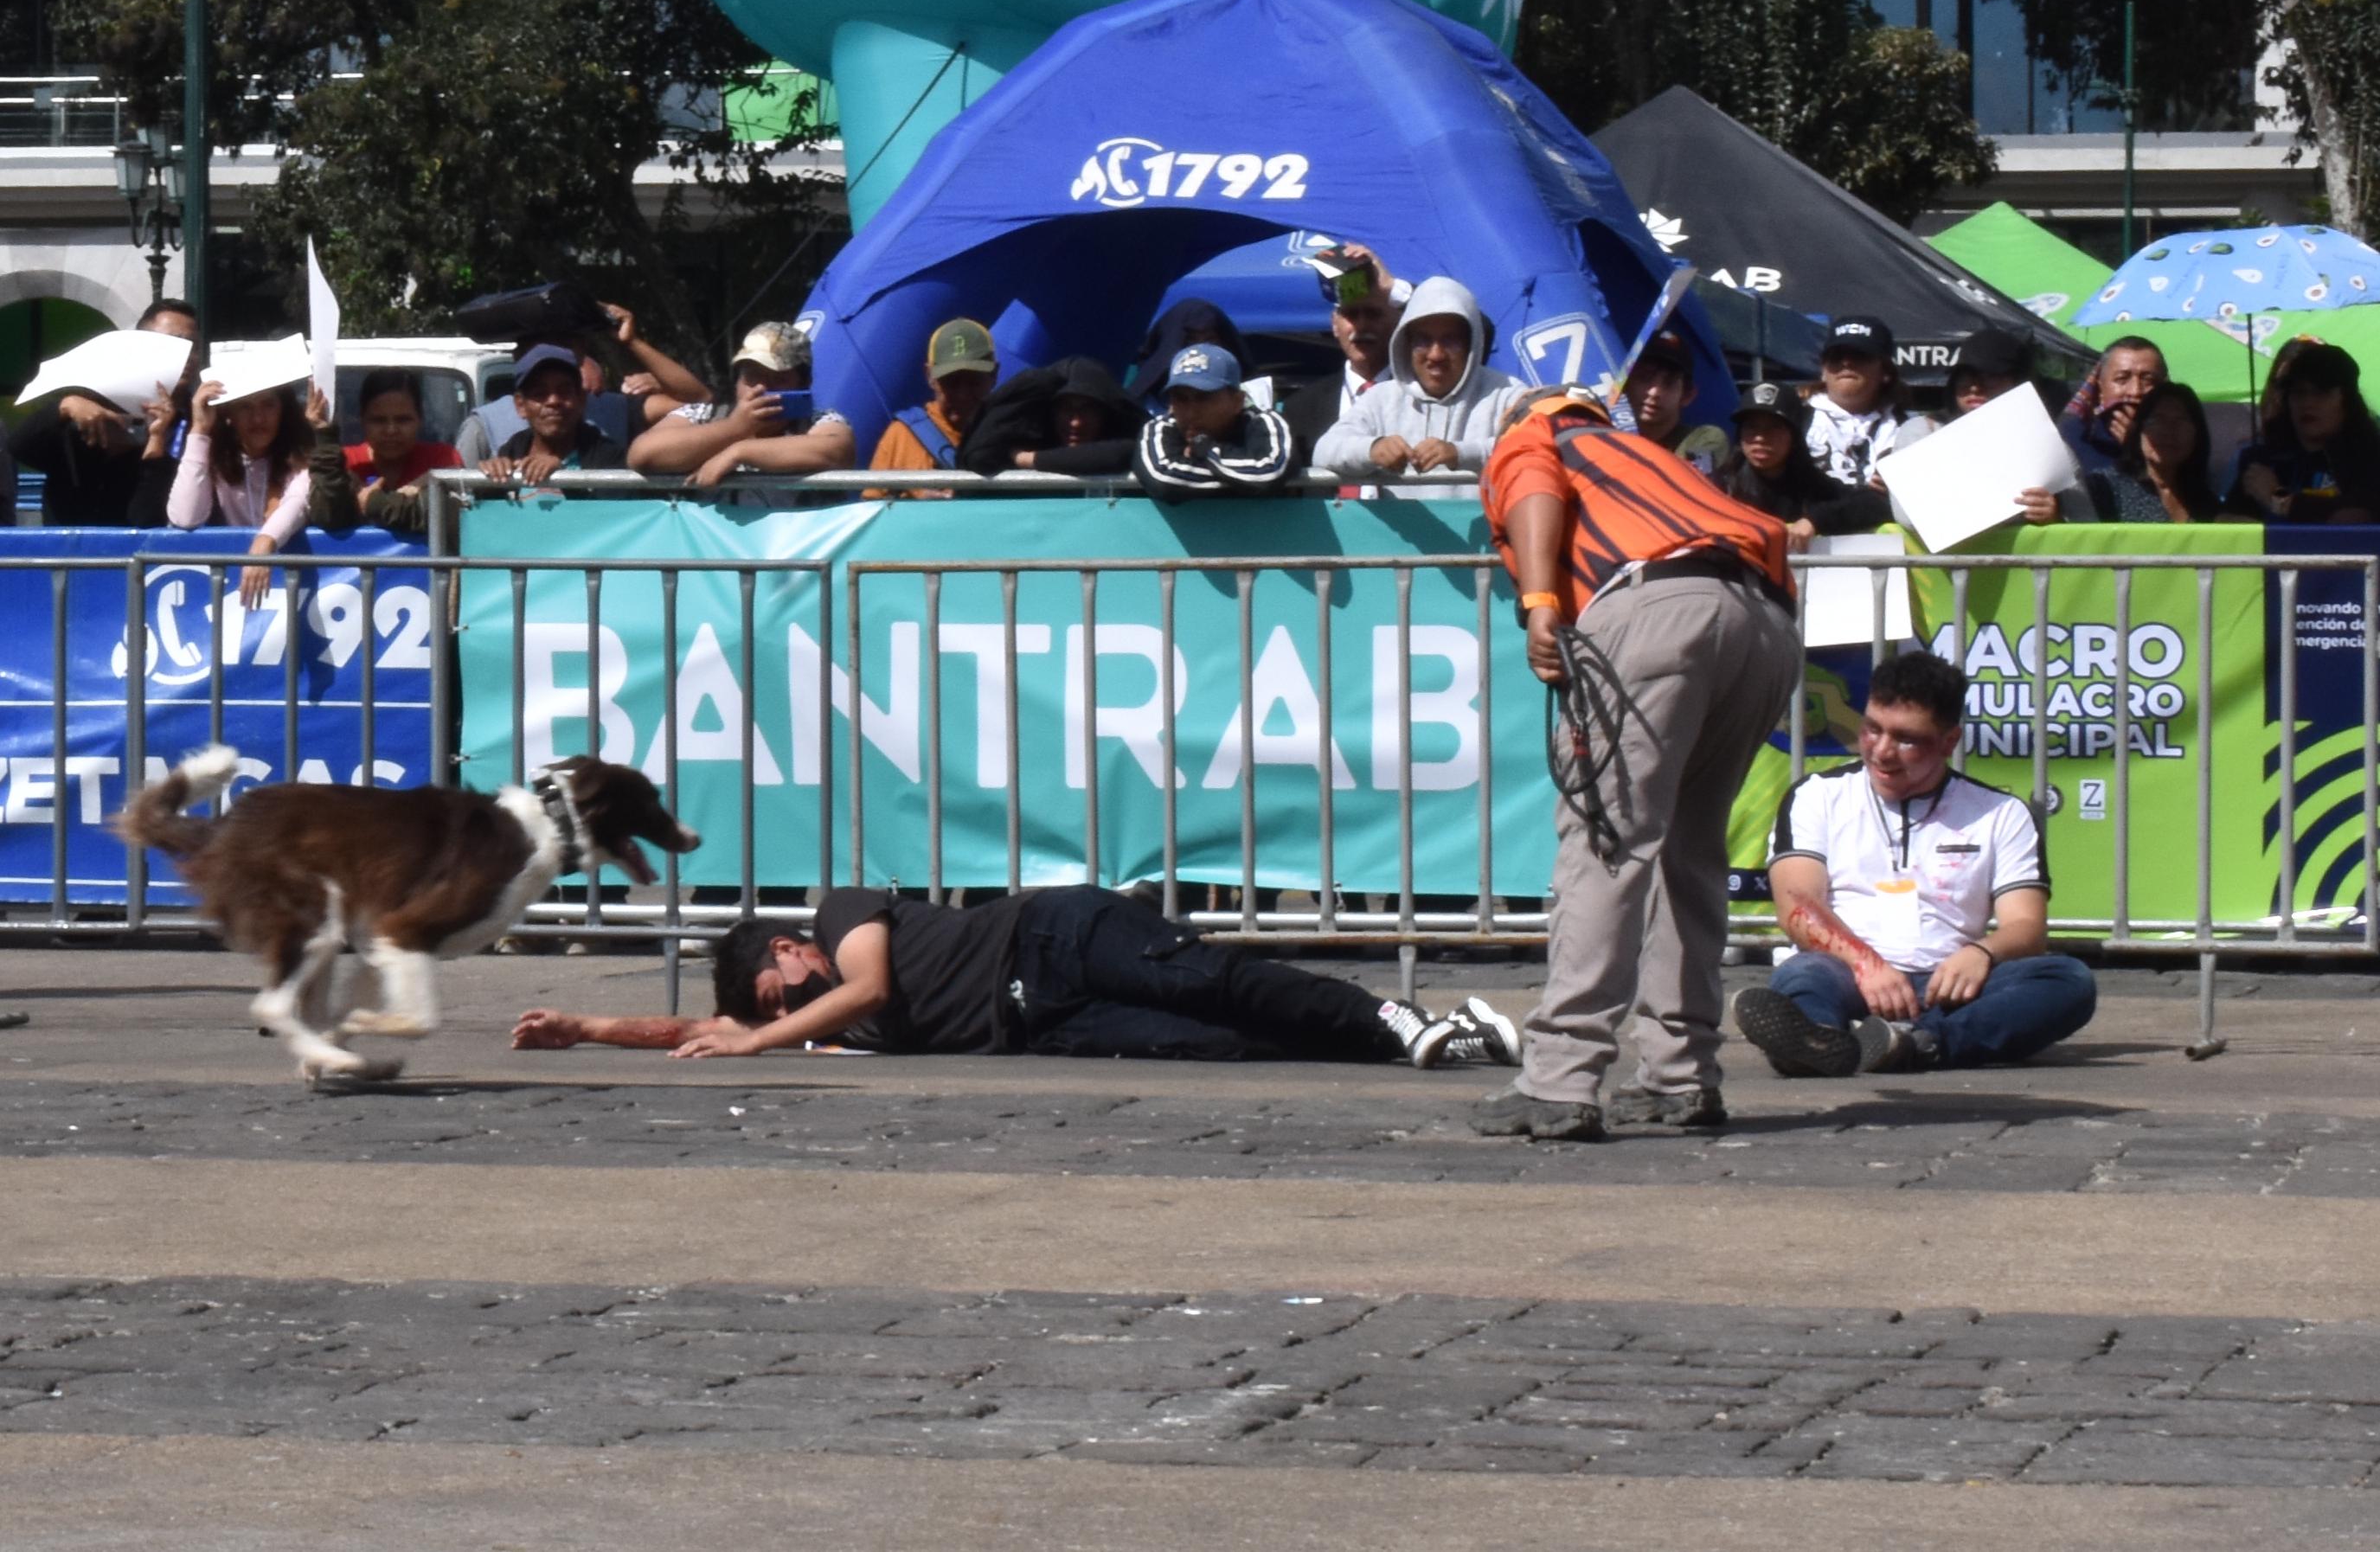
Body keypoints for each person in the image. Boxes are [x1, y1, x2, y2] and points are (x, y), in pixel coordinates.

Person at [1467, 386, 1802, 1141]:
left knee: (1605, 845)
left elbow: (1530, 484)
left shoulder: (1542, 432)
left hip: (1657, 606)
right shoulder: (1653, 456)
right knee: (1690, 853)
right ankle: (1681, 1072)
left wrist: (1540, 597)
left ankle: (1560, 1077)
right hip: (1762, 621)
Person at [509, 884, 1522, 1069]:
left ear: (788, 951)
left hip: (1052, 939)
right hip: (1045, 1027)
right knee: (1218, 1043)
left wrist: (766, 1036)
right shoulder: (804, 1006)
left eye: (786, 995)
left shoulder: (836, 918)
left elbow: (860, 989)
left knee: (1211, 983)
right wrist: (590, 1027)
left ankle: (1398, 1015)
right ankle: (1436, 1040)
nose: (801, 1010)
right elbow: (699, 1030)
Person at [1732, 649, 2097, 1077]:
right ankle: (1822, 1036)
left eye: (1906, 739)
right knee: (1802, 975)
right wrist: (1868, 966)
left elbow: (2026, 928)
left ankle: (1916, 1044)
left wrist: (1981, 953)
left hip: (1948, 980)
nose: (1882, 751)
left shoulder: (2001, 812)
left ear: (1949, 742)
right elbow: (1799, 910)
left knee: (2069, 981)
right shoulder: (1815, 795)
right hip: (1844, 971)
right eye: (1872, 729)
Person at [1312, 275, 1524, 501]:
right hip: (1400, 537)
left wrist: (1459, 453)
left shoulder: (1508, 393)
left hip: (1485, 535)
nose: (1436, 355)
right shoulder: (1382, 398)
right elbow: (1324, 450)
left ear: (1472, 344)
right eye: (1423, 341)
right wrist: (1372, 449)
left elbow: (1533, 447)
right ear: (1406, 344)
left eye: (1450, 341)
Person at [7, 298, 199, 526]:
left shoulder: (203, 423)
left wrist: (156, 442)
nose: (185, 355)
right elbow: (18, 447)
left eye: (193, 346)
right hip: (68, 552)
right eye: (172, 344)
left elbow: (148, 518)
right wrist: (66, 405)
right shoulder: (87, 410)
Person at [455, 304, 709, 463]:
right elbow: (455, 503)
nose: (553, 402)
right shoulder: (483, 425)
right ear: (518, 355)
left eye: (564, 342)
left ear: (581, 351)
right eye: (540, 342)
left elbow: (699, 402)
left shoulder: (616, 409)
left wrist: (632, 342)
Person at [627, 322, 856, 493]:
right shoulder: (703, 414)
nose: (761, 388)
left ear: (804, 383)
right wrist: (735, 428)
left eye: (778, 379)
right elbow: (642, 454)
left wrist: (739, 452)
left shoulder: (822, 421)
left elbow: (838, 451)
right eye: (752, 377)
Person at [166, 378, 315, 607]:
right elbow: (185, 517)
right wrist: (199, 430)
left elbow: (298, 499)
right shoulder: (214, 456)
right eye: (245, 407)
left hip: (297, 590)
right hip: (230, 592)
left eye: (268, 405)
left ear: (283, 410)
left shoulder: (303, 455)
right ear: (228, 413)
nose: (258, 418)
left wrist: (264, 543)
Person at [2015, 382, 2221, 526]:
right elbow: (2086, 542)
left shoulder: (2205, 496)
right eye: (2157, 420)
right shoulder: (2105, 486)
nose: (2168, 430)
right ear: (2138, 430)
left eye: (2180, 421)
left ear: (2197, 432)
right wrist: (2055, 520)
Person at [1280, 243, 1409, 472]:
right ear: (1334, 325)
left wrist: (1393, 288)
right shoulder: (1300, 408)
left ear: (1397, 321)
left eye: (1373, 313)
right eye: (1351, 315)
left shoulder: (1420, 395)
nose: (1361, 326)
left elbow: (1473, 332)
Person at [1714, 381, 1885, 549]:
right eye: (1751, 427)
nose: (1760, 438)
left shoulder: (1812, 484)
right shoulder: (1719, 486)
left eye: (1774, 428)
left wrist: (1815, 520)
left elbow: (1876, 505)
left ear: (1794, 436)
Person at [2223, 343, 2380, 524]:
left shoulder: (2369, 459)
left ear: (2347, 400)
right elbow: (2225, 520)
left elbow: (2356, 517)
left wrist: (2280, 500)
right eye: (2299, 393)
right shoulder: (2262, 460)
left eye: (2320, 393)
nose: (2308, 403)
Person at [306, 369, 465, 533]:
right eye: (379, 420)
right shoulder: (344, 462)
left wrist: (373, 502)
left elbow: (454, 517)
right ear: (362, 421)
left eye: (403, 420)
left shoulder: (444, 459)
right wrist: (323, 433)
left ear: (420, 420)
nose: (391, 430)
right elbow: (328, 514)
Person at [1132, 343, 1294, 497]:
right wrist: (1241, 481)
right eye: (1181, 398)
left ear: (1238, 401)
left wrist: (1205, 449)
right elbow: (1164, 479)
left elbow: (1268, 473)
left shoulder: (1264, 422)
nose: (1191, 412)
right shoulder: (1160, 427)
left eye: (1203, 398)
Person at [865, 318, 999, 496]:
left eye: (974, 382)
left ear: (994, 375)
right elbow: (873, 510)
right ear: (930, 376)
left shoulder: (1015, 433)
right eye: (951, 382)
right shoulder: (901, 436)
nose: (963, 395)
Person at [959, 356, 1143, 479]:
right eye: (1066, 409)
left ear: (1105, 413)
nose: (1076, 423)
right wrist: (1041, 380)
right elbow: (979, 456)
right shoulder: (1029, 439)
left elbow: (1122, 453)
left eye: (1088, 410)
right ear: (1051, 411)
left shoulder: (1131, 444)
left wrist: (1024, 459)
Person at [478, 343, 629, 485]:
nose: (553, 401)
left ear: (581, 400)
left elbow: (611, 511)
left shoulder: (610, 460)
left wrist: (562, 473)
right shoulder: (509, 454)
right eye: (540, 394)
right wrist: (490, 482)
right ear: (520, 406)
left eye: (564, 392)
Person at [1805, 316, 1921, 494]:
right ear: (1823, 370)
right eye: (1836, 357)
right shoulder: (1795, 420)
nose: (1846, 363)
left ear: (1885, 371)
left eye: (1859, 355)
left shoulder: (1910, 431)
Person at [1620, 328, 1730, 474]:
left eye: (1669, 383)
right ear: (1625, 385)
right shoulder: (1604, 434)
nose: (1654, 393)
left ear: (1687, 396)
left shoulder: (1704, 439)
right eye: (1645, 378)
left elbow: (1693, 486)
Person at [2059, 337, 2168, 476]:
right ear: (2100, 386)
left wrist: (2140, 451)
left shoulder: (2176, 438)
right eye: (2122, 379)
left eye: (2148, 380)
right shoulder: (2070, 437)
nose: (2135, 391)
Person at [1126, 298, 1251, 412]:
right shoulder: (1141, 402)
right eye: (1191, 341)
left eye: (1210, 340)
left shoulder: (1253, 393)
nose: (1200, 350)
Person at [1941, 329, 2033, 420]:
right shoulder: (1934, 432)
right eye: (1965, 379)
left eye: (1989, 377)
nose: (1974, 389)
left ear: (2018, 382)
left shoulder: (2040, 430)